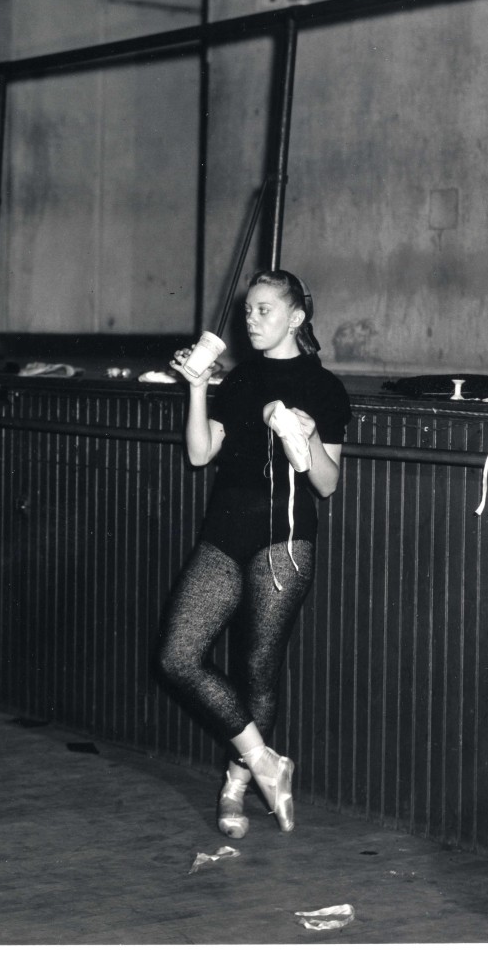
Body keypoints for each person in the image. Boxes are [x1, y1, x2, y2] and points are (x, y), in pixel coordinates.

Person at [159, 270, 350, 837]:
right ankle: (267, 762)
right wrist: (197, 385)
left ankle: (237, 787)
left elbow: (328, 483)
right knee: (177, 655)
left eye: (265, 310)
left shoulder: (325, 387)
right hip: (223, 532)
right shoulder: (240, 380)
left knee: (258, 673)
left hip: (283, 542)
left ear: (296, 318)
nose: (252, 319)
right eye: (248, 311)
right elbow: (200, 454)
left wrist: (309, 436)